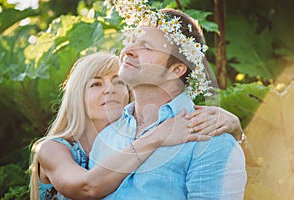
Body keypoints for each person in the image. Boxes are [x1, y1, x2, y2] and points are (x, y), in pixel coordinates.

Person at [29, 52, 241, 200]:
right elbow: (87, 187)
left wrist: (236, 128)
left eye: (118, 81)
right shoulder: (52, 148)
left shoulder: (125, 140)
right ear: (77, 96)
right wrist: (159, 136)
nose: (109, 89)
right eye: (96, 84)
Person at [89, 2, 247, 199]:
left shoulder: (210, 140)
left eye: (146, 47)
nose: (128, 50)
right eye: (131, 40)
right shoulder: (107, 135)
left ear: (176, 70)